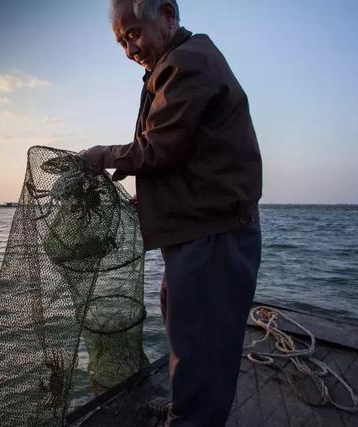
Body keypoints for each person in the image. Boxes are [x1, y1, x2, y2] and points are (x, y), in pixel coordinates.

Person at [82, 0, 263, 425]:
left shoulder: (187, 63)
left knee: (202, 341)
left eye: (134, 34)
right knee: (182, 324)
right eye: (121, 41)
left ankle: (194, 417)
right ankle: (188, 405)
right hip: (195, 233)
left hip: (214, 235)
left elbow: (160, 147)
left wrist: (101, 156)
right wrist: (141, 199)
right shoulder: (175, 64)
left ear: (167, 14)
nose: (130, 49)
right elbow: (187, 157)